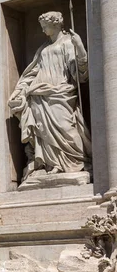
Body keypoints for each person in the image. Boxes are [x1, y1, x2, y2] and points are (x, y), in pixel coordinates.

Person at [9, 11, 92, 182]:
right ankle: (52, 164)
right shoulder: (43, 49)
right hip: (39, 94)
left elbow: (80, 74)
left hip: (60, 93)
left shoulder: (69, 42)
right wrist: (21, 90)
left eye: (45, 26)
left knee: (66, 127)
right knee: (43, 130)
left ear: (55, 25)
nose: (43, 30)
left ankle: (76, 161)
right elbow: (31, 73)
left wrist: (80, 48)